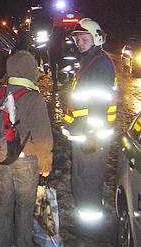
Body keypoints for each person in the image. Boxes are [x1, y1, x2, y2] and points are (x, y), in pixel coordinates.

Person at [0, 50, 54, 247]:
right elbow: (43, 136)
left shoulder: (0, 92)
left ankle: (1, 242)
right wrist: (45, 164)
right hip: (25, 160)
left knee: (4, 201)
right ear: (30, 71)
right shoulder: (34, 98)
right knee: (25, 206)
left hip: (0, 156)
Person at [61, 18, 117, 223]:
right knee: (82, 176)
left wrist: (92, 132)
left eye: (85, 39)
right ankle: (83, 215)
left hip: (92, 134)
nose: (80, 43)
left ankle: (90, 225)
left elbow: (100, 101)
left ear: (97, 38)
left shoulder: (100, 63)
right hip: (83, 132)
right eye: (77, 40)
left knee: (89, 178)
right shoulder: (89, 60)